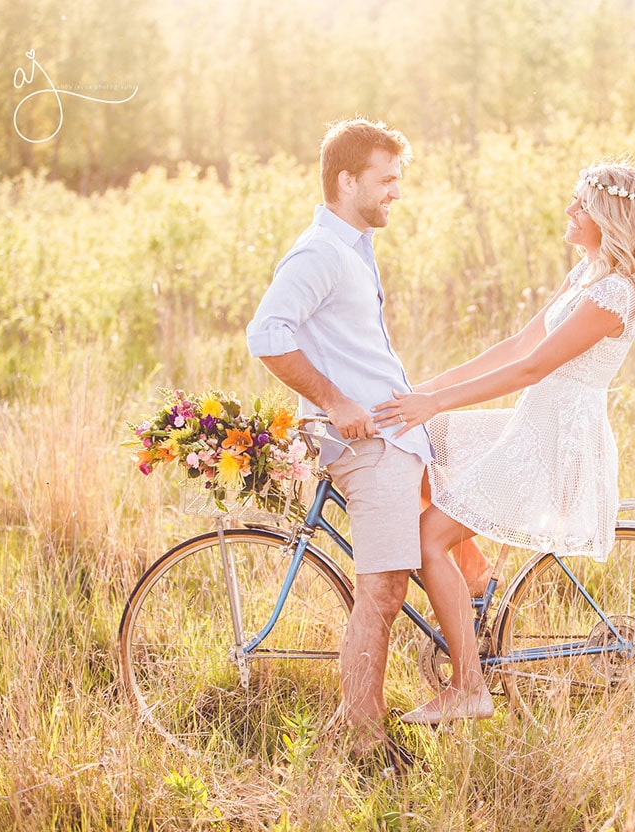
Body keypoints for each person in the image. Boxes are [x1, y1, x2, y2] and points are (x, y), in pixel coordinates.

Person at [372, 159, 635, 724]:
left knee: (426, 540)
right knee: (425, 445)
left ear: (608, 217)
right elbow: (516, 345)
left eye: (579, 205)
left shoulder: (613, 293)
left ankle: (470, 689)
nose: (569, 211)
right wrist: (423, 394)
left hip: (556, 441)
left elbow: (531, 369)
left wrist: (434, 402)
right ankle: (476, 581)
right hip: (533, 423)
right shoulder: (586, 275)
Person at [245, 117, 430, 756]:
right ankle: (364, 740)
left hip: (399, 434)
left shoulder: (352, 248)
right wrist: (334, 400)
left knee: (454, 536)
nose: (395, 193)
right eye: (385, 180)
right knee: (381, 589)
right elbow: (267, 335)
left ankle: (476, 639)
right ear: (346, 180)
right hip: (368, 447)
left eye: (397, 180)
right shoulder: (320, 252)